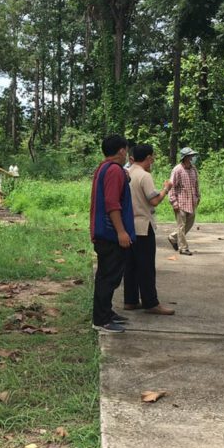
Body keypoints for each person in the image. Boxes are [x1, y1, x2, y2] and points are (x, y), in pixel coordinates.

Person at [90, 134, 136, 334]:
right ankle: (101, 320)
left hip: (103, 232)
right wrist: (121, 232)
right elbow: (112, 203)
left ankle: (106, 312)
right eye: (126, 150)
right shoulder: (114, 170)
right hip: (110, 235)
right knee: (108, 278)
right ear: (121, 150)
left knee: (107, 276)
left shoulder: (104, 168)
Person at [123, 144, 175, 315]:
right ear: (147, 158)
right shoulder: (144, 176)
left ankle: (130, 300)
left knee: (130, 265)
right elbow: (154, 201)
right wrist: (166, 189)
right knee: (146, 267)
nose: (153, 160)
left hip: (129, 225)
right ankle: (151, 302)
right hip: (144, 226)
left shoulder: (127, 172)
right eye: (152, 157)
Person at [167, 146, 200, 256]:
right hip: (180, 202)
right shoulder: (177, 170)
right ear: (185, 157)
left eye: (193, 156)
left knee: (189, 224)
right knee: (181, 226)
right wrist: (174, 202)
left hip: (191, 202)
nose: (192, 158)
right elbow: (171, 186)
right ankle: (183, 248)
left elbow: (196, 184)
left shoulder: (193, 169)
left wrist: (198, 197)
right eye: (190, 156)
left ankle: (173, 237)